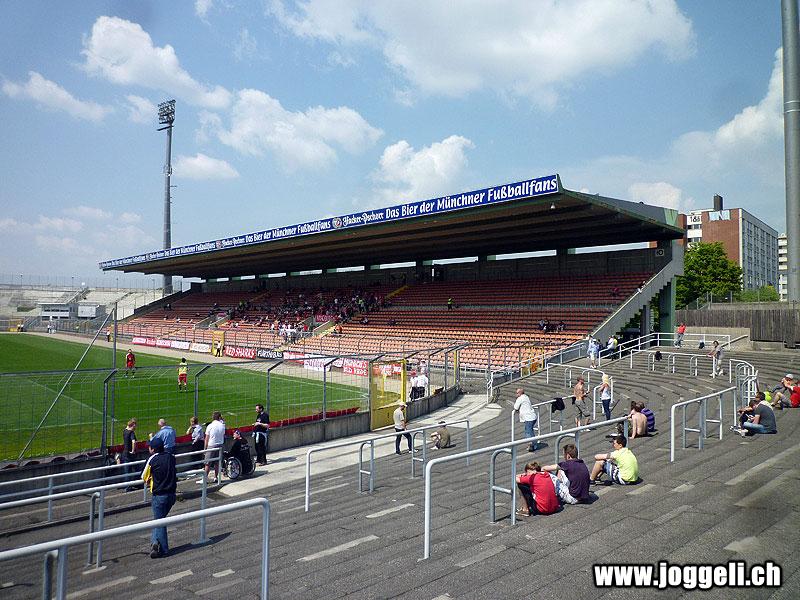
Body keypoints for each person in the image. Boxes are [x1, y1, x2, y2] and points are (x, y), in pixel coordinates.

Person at [141, 436, 176, 558]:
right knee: (159, 520)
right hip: (172, 495)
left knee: (159, 522)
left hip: (159, 496)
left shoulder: (152, 459)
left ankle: (163, 550)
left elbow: (144, 477)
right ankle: (154, 543)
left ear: (153, 449)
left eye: (149, 447)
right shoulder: (171, 457)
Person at [204, 411, 225, 482]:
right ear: (219, 417)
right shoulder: (222, 425)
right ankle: (216, 477)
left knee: (207, 463)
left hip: (211, 445)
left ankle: (204, 479)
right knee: (217, 462)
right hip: (220, 445)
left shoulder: (210, 426)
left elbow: (206, 438)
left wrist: (205, 449)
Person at [120, 418, 137, 489]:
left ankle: (127, 486)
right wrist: (133, 450)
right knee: (132, 470)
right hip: (130, 454)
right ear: (132, 425)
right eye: (135, 425)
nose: (136, 427)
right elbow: (134, 442)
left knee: (126, 470)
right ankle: (129, 486)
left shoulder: (125, 431)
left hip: (125, 453)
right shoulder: (131, 433)